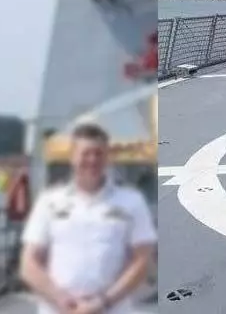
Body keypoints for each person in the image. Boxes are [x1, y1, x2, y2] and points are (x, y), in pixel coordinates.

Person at [19, 123, 156, 314]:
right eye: (86, 153)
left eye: (99, 153)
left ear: (107, 157)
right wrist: (63, 300)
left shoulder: (132, 202)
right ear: (73, 157)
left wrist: (103, 302)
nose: (92, 160)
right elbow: (28, 264)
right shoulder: (48, 202)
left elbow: (143, 261)